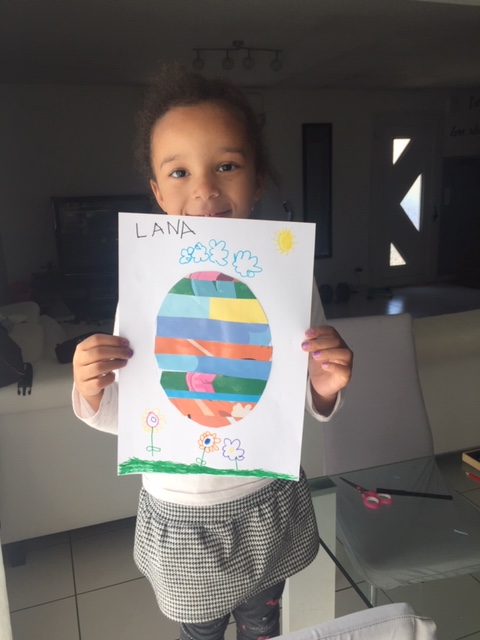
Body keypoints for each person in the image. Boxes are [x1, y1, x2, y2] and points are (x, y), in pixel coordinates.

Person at [72, 63, 353, 640]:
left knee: (262, 622)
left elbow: (302, 394)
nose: (204, 189)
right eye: (179, 172)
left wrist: (325, 385)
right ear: (157, 192)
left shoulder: (289, 279)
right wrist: (90, 387)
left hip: (267, 497)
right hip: (183, 513)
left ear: (258, 179)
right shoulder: (147, 291)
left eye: (226, 165)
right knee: (199, 630)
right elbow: (132, 414)